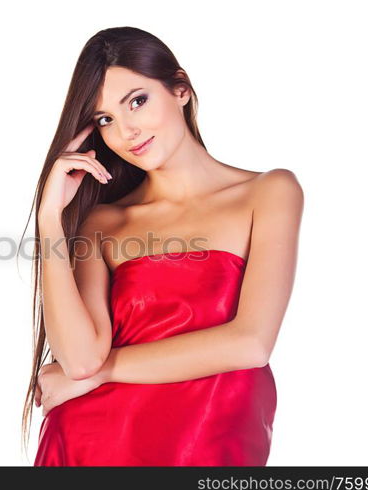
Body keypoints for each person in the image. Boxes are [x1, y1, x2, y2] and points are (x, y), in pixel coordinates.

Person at [19, 26, 303, 466]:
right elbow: (78, 360)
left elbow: (250, 344)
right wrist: (49, 219)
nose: (126, 130)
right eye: (105, 120)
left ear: (181, 88)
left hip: (208, 444)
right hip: (90, 443)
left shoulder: (268, 192)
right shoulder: (104, 222)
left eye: (136, 101)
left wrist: (100, 375)